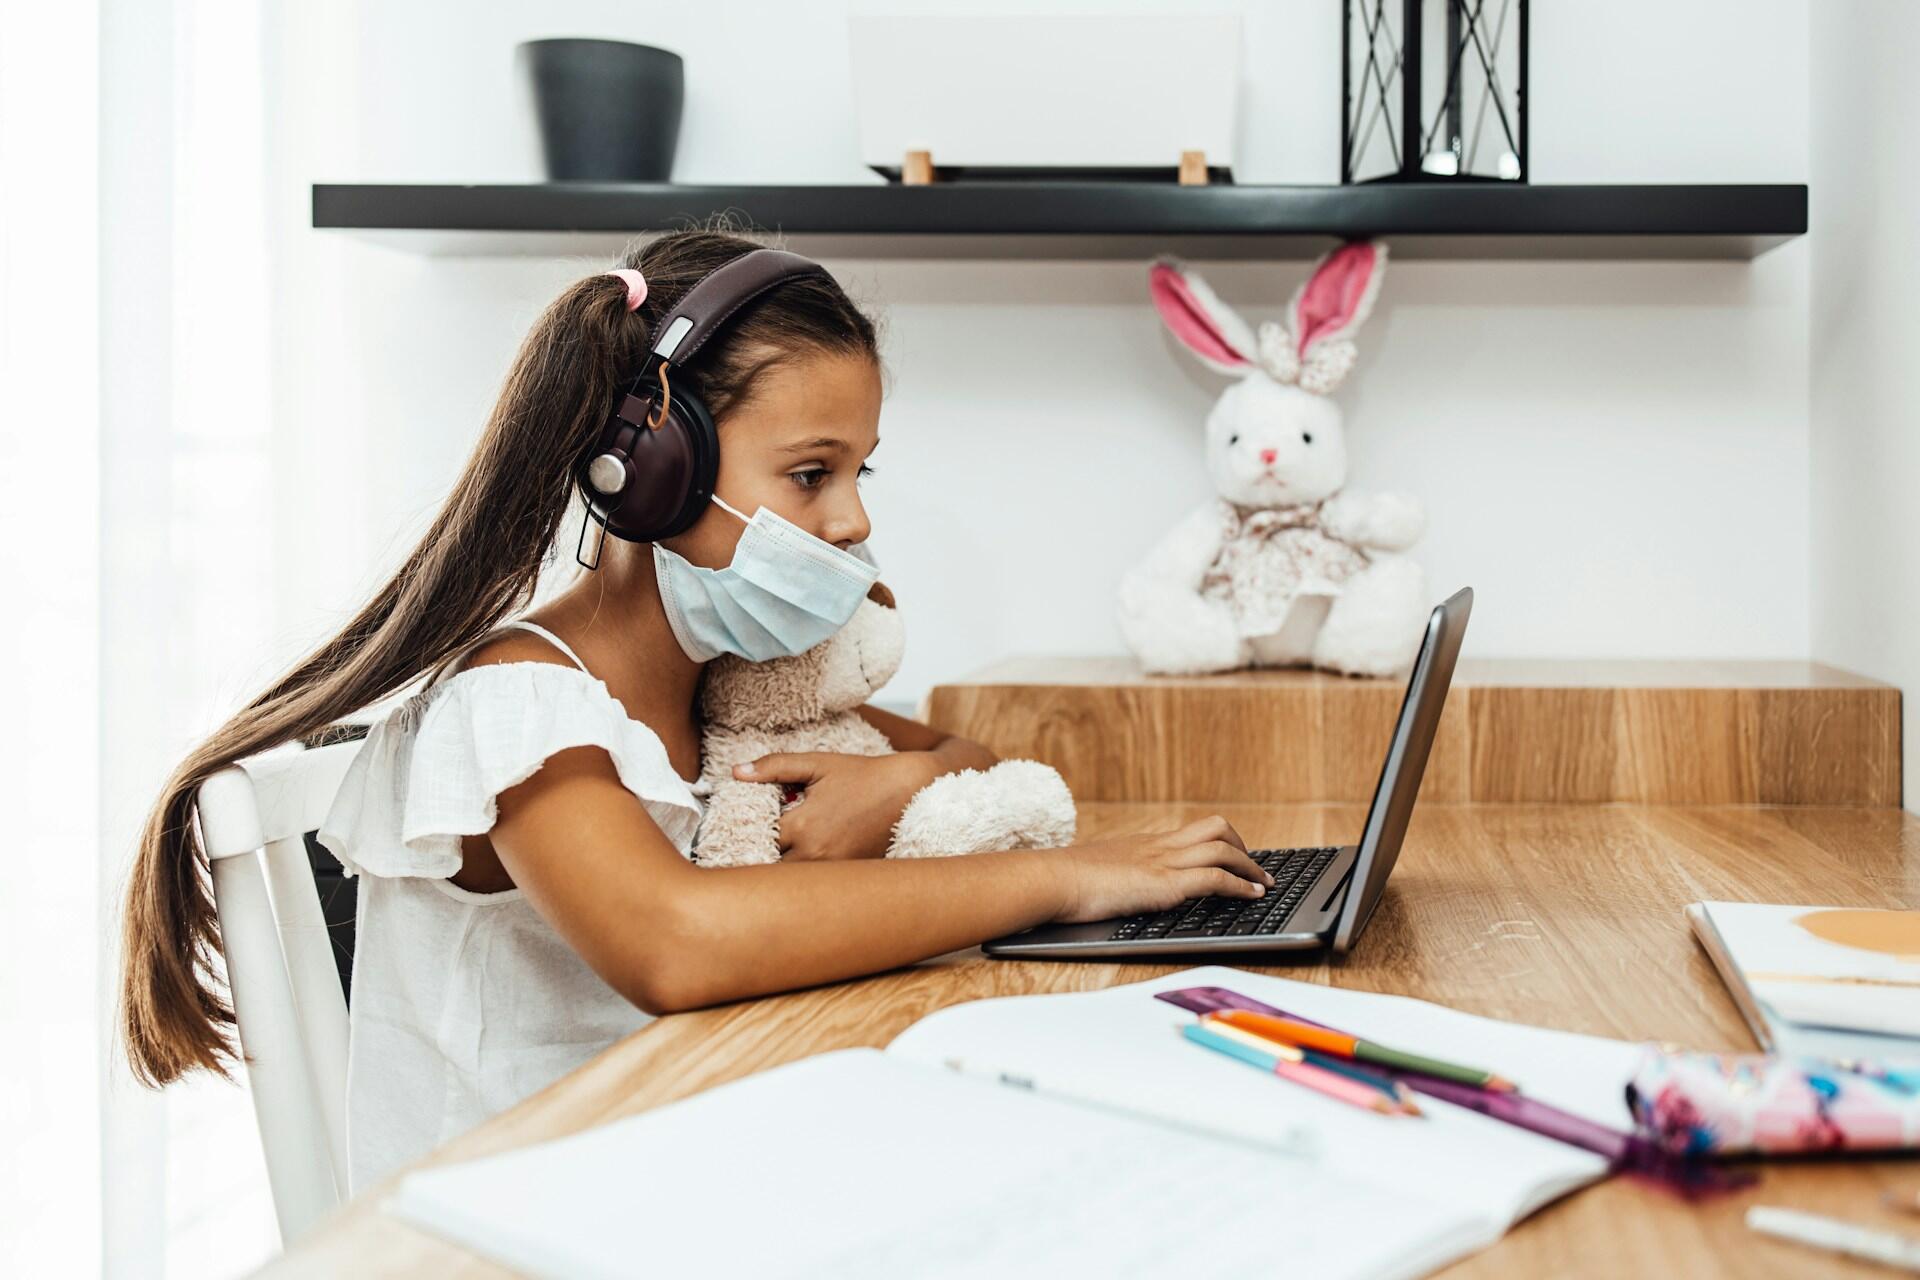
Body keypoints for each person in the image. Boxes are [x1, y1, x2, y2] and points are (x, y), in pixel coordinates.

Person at [119, 226, 1272, 1189]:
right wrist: (1082, 873)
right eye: (812, 473)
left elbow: (964, 752)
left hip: (688, 1153)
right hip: (519, 1210)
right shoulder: (521, 702)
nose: (855, 519)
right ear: (650, 467)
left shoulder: (725, 674)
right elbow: (675, 942)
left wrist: (909, 779)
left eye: (862, 471)